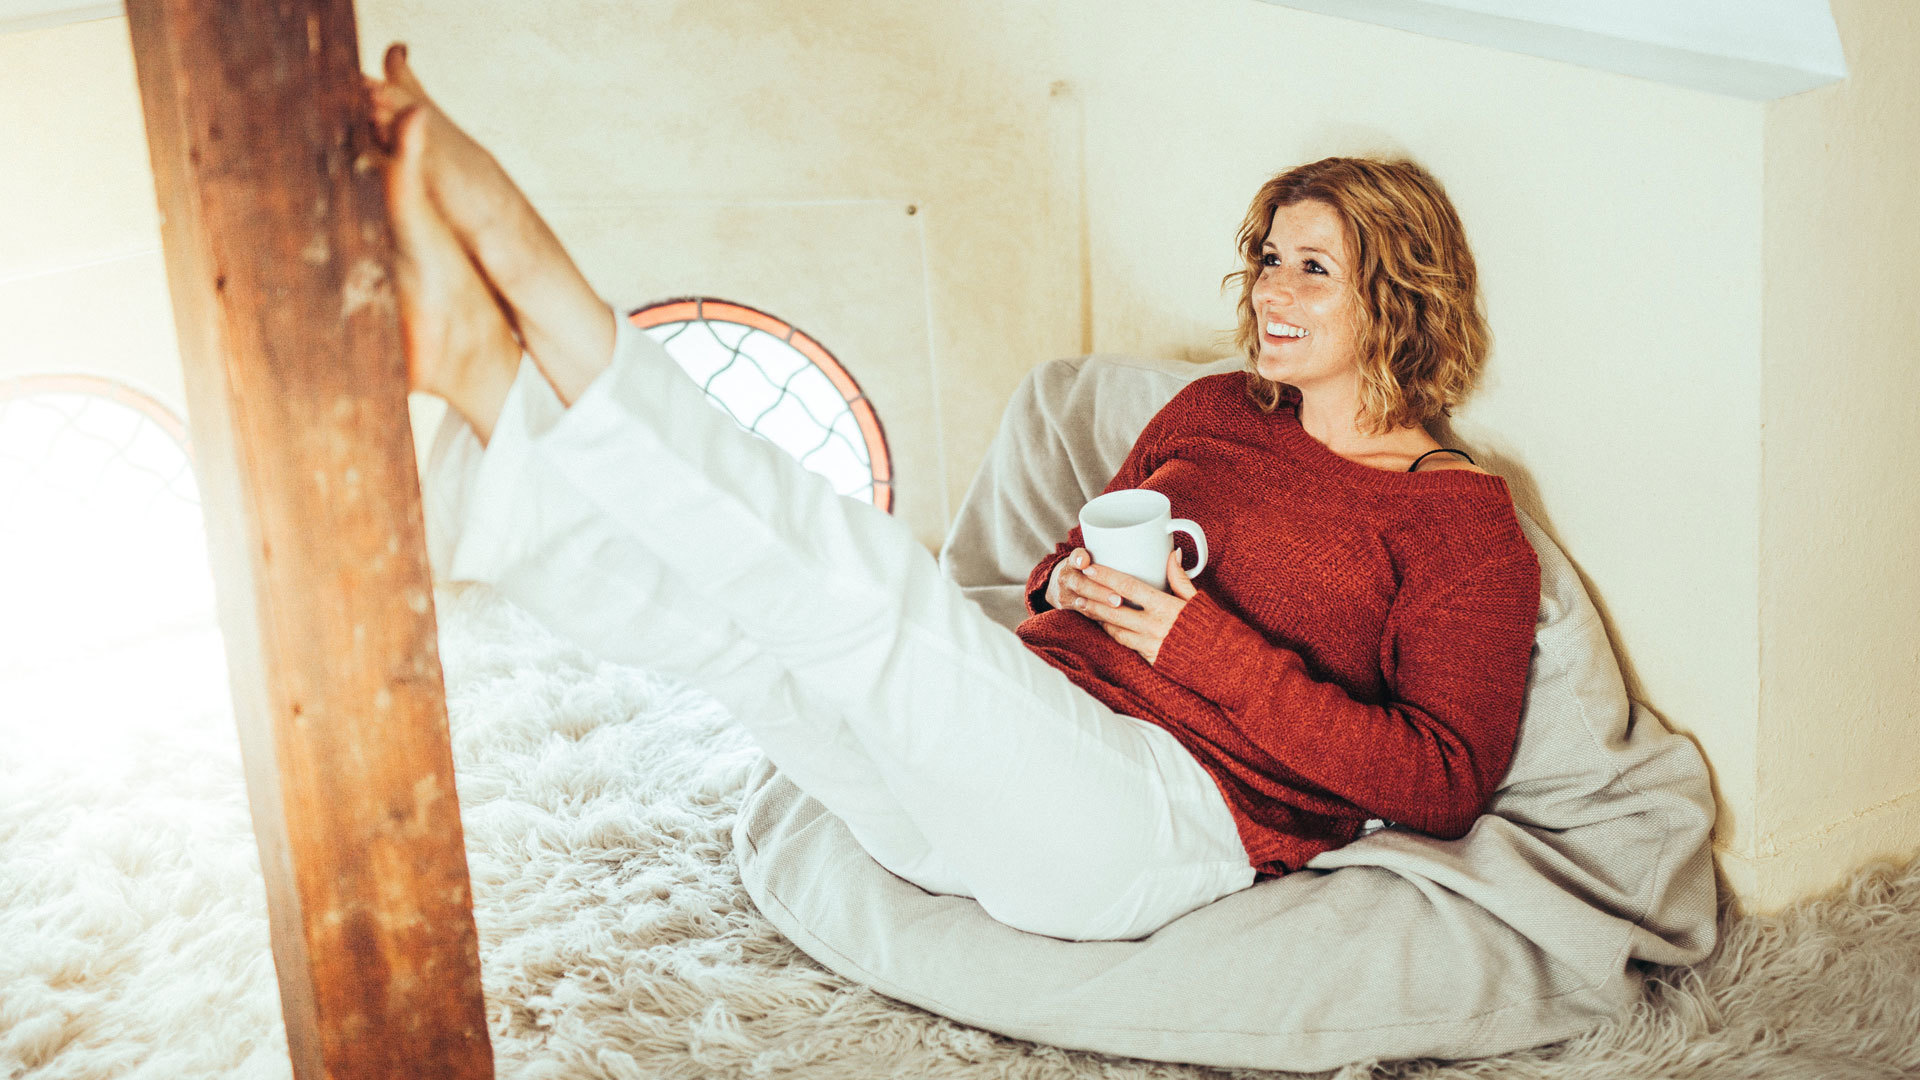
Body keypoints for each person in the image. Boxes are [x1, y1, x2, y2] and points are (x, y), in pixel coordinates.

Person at [370, 44, 1540, 943]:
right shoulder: (1217, 407)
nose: (1272, 290)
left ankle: (523, 278)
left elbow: (1443, 782)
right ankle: (482, 385)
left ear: (1399, 293)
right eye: (1269, 257)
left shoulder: (1459, 521)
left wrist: (1197, 643)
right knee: (750, 649)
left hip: (1151, 823)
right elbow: (1064, 563)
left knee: (872, 599)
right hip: (977, 795)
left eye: (1314, 268)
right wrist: (1067, 582)